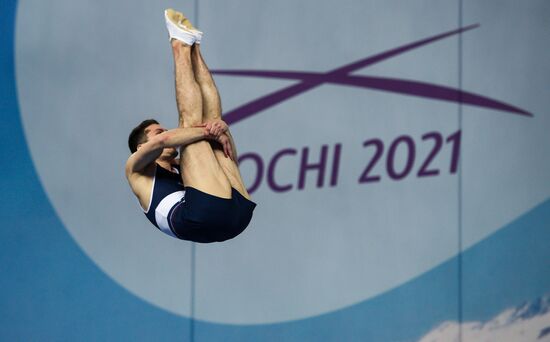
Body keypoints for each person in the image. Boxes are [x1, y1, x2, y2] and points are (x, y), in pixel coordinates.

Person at [125, 9, 256, 243]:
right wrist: (207, 131)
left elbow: (231, 160)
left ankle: (194, 47)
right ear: (140, 147)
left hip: (238, 213)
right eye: (158, 130)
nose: (165, 133)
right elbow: (163, 141)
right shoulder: (135, 170)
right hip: (202, 216)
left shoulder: (183, 168)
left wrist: (222, 130)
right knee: (193, 128)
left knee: (211, 126)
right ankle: (180, 45)